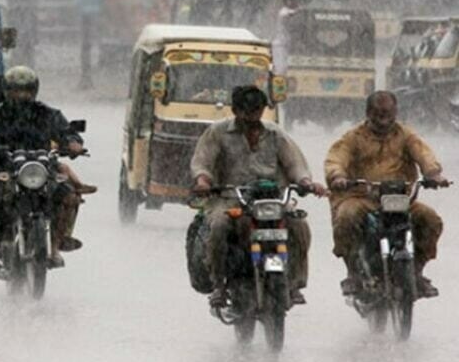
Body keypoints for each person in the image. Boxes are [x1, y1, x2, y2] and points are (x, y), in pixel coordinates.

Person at [191, 85, 326, 307]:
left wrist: (306, 182)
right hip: (230, 198)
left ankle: (294, 283)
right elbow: (202, 163)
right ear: (235, 110)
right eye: (247, 111)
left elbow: (295, 164)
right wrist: (203, 181)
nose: (253, 116)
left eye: (257, 110)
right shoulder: (217, 132)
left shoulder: (275, 133)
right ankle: (219, 285)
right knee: (219, 227)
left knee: (299, 224)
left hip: (271, 200)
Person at [324, 90, 448, 298]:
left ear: (395, 112)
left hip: (400, 200)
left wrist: (433, 174)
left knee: (430, 220)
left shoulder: (406, 136)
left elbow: (424, 154)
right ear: (368, 112)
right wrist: (338, 176)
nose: (383, 118)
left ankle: (416, 271)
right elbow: (336, 158)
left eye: (388, 112)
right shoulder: (353, 138)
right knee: (346, 217)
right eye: (378, 112)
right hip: (362, 198)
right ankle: (354, 272)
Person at [0, 66, 86, 270]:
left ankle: (57, 245)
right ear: (6, 90)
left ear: (35, 91)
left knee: (69, 197)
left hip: (41, 170)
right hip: (3, 169)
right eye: (16, 90)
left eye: (27, 90)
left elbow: (67, 132)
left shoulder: (48, 114)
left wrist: (74, 142)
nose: (22, 95)